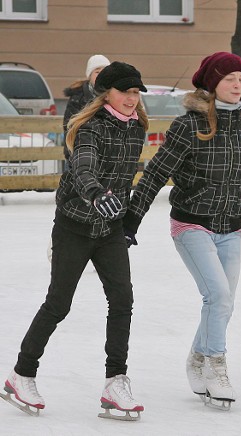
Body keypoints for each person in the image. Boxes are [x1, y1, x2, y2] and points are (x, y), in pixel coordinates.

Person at [1, 62, 149, 420]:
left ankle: (115, 380)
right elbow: (83, 167)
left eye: (135, 93)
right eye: (124, 91)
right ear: (107, 93)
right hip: (75, 226)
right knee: (58, 304)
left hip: (109, 229)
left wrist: (127, 217)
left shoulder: (137, 129)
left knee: (122, 299)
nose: (131, 99)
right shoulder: (90, 128)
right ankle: (21, 374)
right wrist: (97, 194)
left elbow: (129, 178)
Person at [122, 52, 241, 411]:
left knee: (223, 303)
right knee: (218, 295)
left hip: (230, 226)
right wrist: (131, 219)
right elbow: (155, 173)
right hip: (192, 223)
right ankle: (216, 365)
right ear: (212, 82)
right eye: (230, 78)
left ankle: (197, 359)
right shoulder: (190, 125)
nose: (237, 85)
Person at [63, 54, 111, 132]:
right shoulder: (78, 97)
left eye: (104, 71)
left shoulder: (115, 95)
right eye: (97, 72)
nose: (101, 75)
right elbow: (69, 125)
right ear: (90, 75)